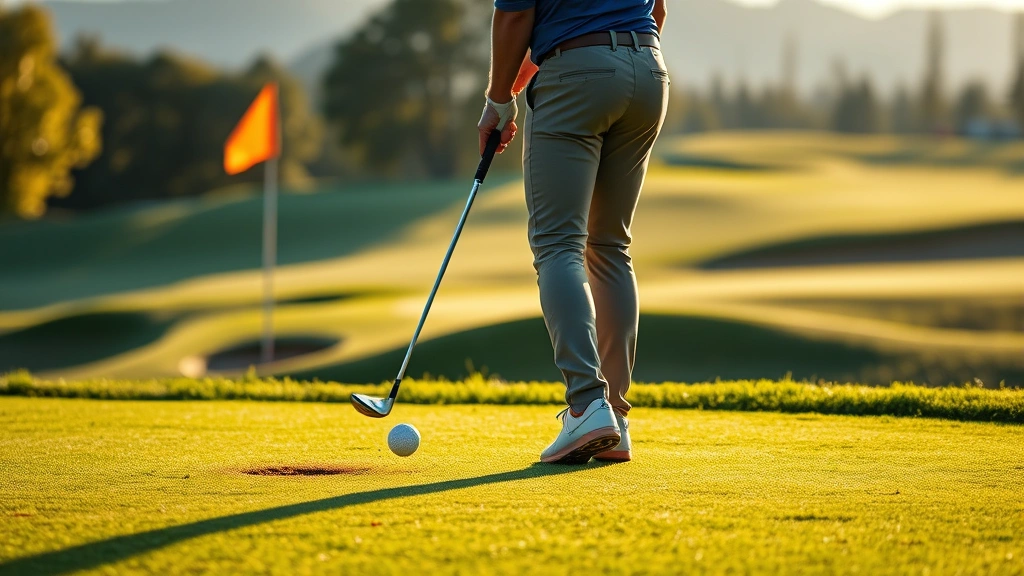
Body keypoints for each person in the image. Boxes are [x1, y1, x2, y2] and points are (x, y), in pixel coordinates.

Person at [478, 0, 670, 464]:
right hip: (649, 69)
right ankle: (615, 420)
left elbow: (514, 15)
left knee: (558, 245)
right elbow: (658, 10)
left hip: (576, 77)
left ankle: (586, 403)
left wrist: (497, 102)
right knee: (609, 247)